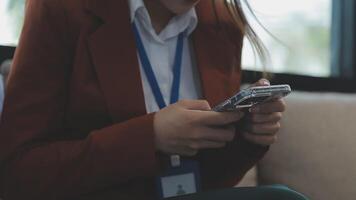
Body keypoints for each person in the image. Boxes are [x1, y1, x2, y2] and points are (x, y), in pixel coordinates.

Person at [0, 0, 307, 200]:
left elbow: (212, 183)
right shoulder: (61, 9)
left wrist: (248, 138)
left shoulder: (219, 22)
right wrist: (151, 137)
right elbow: (17, 175)